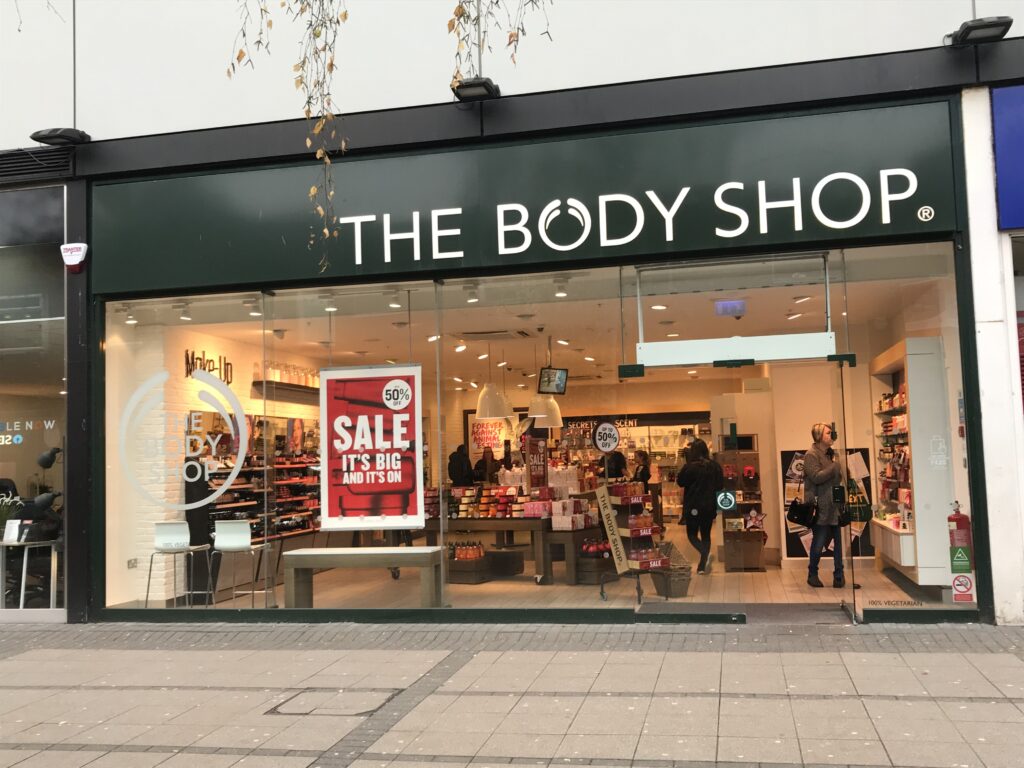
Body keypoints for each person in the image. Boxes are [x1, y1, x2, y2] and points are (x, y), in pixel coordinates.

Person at [803, 422, 854, 589]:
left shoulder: (830, 455)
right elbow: (816, 477)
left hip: (834, 505)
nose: (831, 436)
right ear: (818, 436)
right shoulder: (811, 455)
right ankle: (812, 574)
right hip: (821, 506)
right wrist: (834, 466)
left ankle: (839, 576)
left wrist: (840, 466)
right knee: (818, 542)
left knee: (838, 543)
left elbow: (838, 477)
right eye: (827, 433)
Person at [676, 438, 724, 574]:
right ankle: (702, 565)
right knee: (706, 534)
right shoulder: (714, 466)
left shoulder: (689, 467)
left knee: (691, 534)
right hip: (709, 505)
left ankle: (704, 555)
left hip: (693, 506)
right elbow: (720, 485)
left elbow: (680, 482)